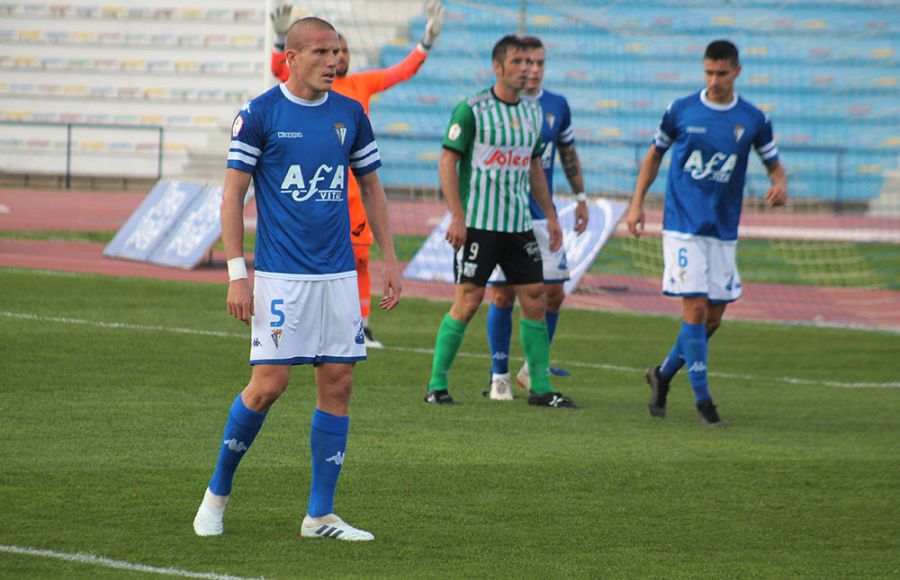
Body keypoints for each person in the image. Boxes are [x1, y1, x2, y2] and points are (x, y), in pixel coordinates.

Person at [192, 16, 401, 542]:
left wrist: (391, 259)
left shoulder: (350, 114)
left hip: (336, 278)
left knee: (339, 383)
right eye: (323, 52)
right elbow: (231, 197)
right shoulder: (260, 114)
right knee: (269, 385)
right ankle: (216, 494)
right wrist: (237, 274)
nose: (335, 61)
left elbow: (372, 188)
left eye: (338, 52)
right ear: (293, 57)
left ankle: (320, 515)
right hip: (281, 278)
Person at [626, 39, 788, 426]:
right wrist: (636, 203)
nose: (714, 80)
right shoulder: (681, 110)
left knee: (712, 319)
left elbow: (774, 166)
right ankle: (704, 402)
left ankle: (662, 376)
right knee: (695, 309)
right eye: (709, 72)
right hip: (682, 225)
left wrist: (780, 183)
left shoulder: (754, 119)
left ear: (737, 72)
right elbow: (654, 155)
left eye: (722, 73)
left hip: (723, 229)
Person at [269, 0, 444, 348]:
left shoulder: (360, 86)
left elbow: (401, 72)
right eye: (332, 51)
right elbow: (282, 73)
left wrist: (425, 42)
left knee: (360, 258)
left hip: (354, 191)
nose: (339, 57)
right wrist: (279, 40)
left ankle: (362, 325)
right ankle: (307, 324)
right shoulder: (309, 90)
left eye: (342, 50)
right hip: (317, 191)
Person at [424, 34, 576, 409]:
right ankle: (436, 384)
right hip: (478, 224)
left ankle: (540, 388)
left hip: (519, 225)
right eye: (518, 63)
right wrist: (457, 215)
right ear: (498, 67)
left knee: (537, 298)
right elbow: (447, 161)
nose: (527, 70)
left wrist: (552, 215)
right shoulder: (471, 109)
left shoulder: (531, 113)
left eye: (531, 63)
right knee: (469, 301)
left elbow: (535, 167)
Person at [484, 35, 589, 401]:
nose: (533, 70)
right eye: (527, 62)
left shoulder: (556, 105)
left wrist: (580, 198)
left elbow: (568, 154)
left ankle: (531, 370)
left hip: (543, 217)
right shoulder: (490, 106)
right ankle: (499, 376)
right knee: (502, 296)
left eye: (540, 63)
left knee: (553, 294)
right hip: (500, 216)